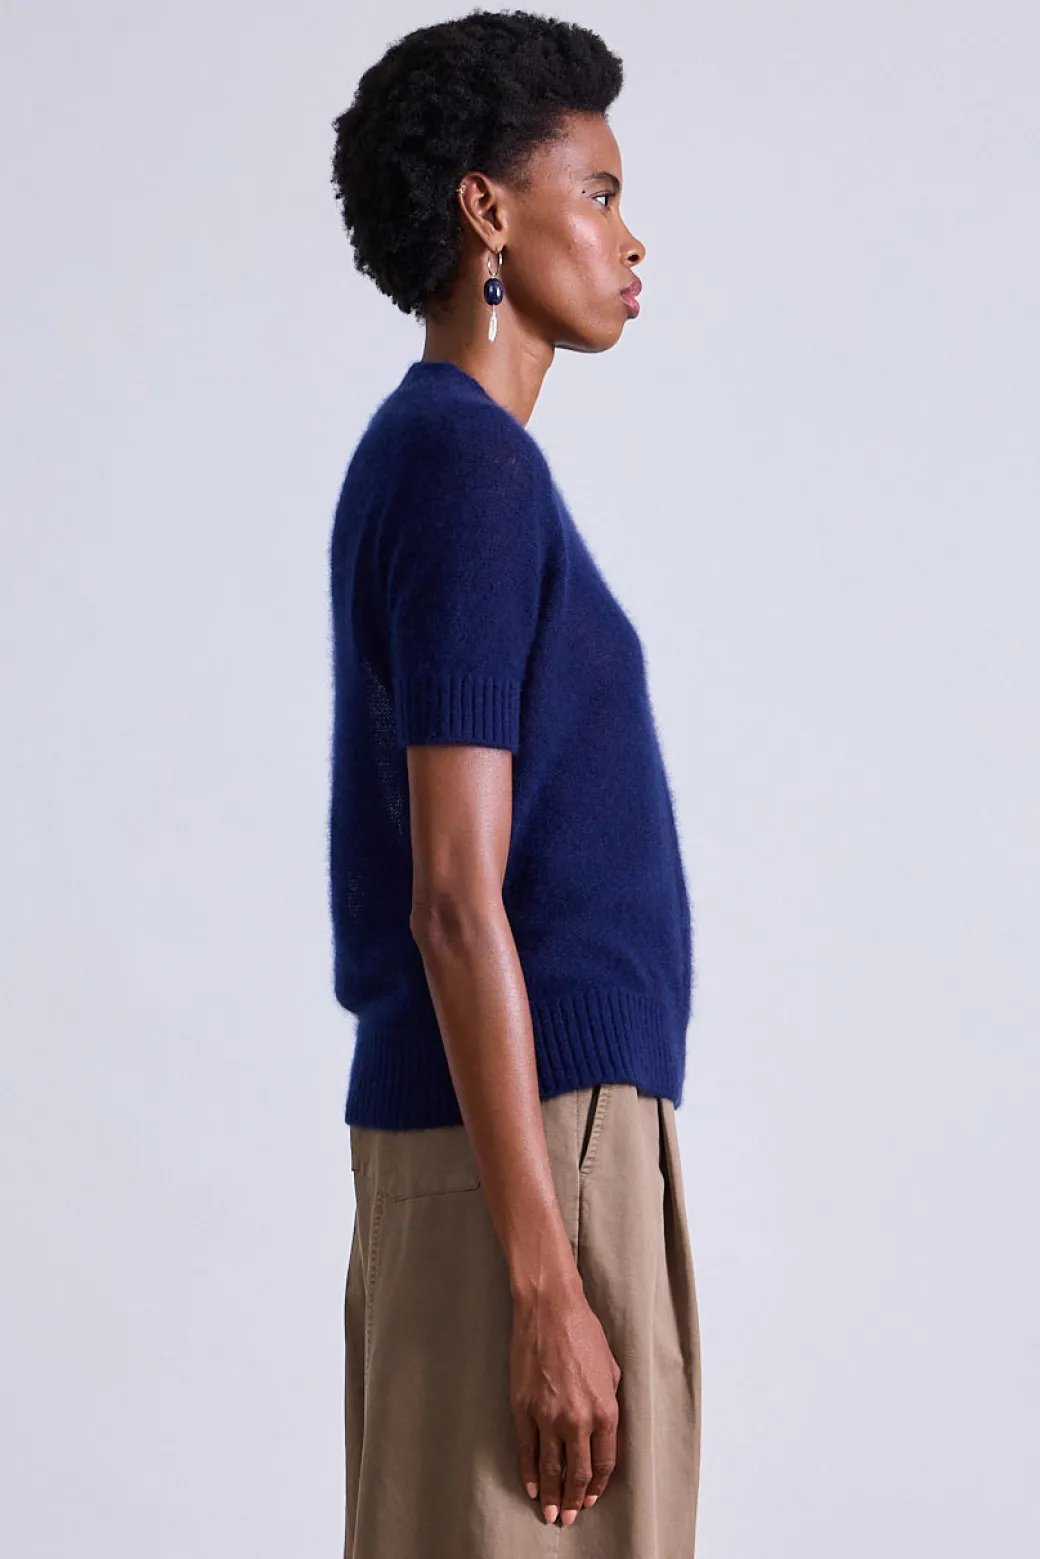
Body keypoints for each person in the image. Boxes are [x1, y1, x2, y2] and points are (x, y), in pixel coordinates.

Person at [327, 11, 701, 1556]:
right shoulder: (465, 462)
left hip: (527, 1140)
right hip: (537, 1149)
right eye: (597, 192)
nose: (630, 236)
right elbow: (452, 897)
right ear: (489, 210)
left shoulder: (444, 460)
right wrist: (548, 1278)